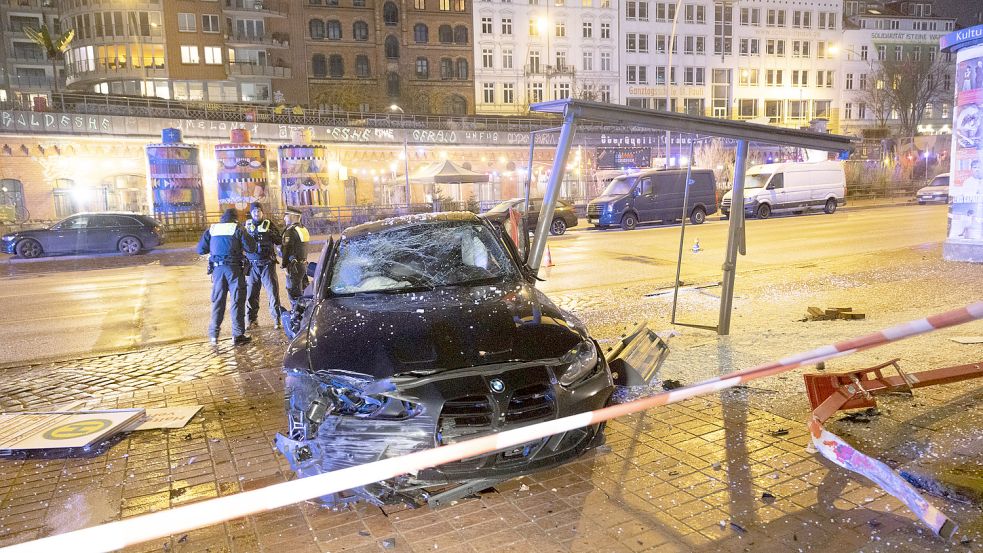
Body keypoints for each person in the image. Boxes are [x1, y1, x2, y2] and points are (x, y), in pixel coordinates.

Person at [197, 208, 256, 345]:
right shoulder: (237, 228)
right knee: (237, 301)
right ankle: (238, 335)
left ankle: (213, 335)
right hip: (234, 269)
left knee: (218, 302)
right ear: (235, 218)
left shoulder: (212, 229)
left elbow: (201, 250)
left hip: (217, 271)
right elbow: (251, 248)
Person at [244, 202, 284, 329]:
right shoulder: (246, 226)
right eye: (254, 211)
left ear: (262, 212)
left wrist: (271, 234)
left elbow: (279, 240)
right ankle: (251, 320)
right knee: (251, 295)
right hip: (252, 265)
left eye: (259, 211)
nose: (256, 213)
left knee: (273, 293)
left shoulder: (269, 224)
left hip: (267, 264)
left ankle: (276, 319)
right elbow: (239, 242)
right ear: (251, 213)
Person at [280, 207, 311, 311]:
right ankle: (306, 312)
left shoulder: (290, 231)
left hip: (293, 267)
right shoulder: (303, 229)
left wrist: (284, 265)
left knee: (294, 294)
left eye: (286, 215)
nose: (284, 218)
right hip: (303, 264)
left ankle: (297, 316)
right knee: (305, 291)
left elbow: (286, 250)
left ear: (292, 216)